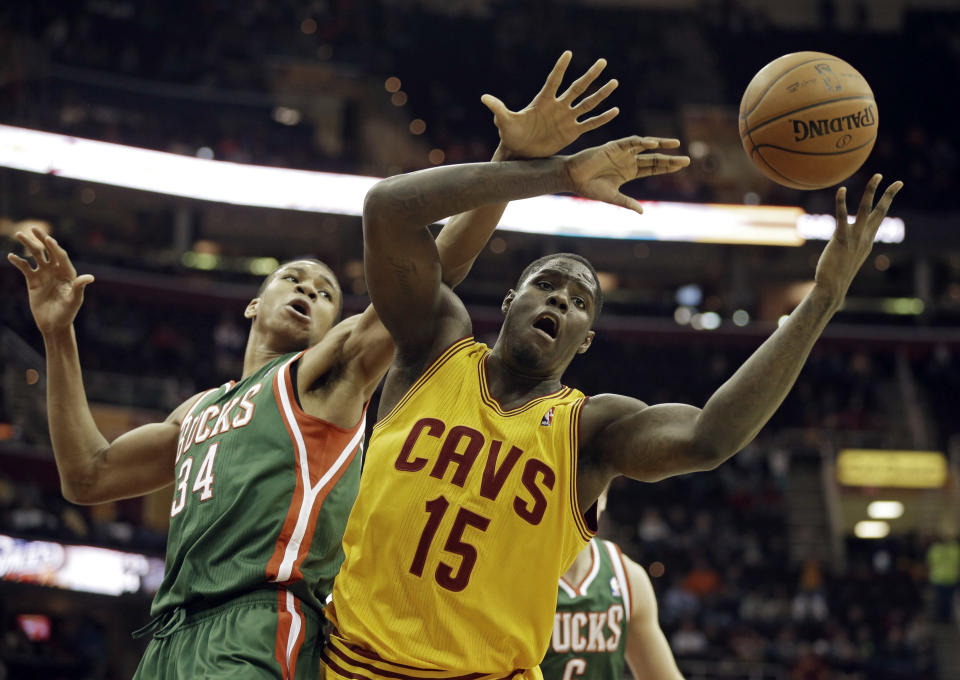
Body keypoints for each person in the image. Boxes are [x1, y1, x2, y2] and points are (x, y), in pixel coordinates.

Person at [6, 52, 621, 680]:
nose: (308, 290)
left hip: (260, 622)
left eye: (326, 292)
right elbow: (87, 476)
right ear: (253, 302)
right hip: (171, 631)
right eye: (294, 278)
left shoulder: (326, 381)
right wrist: (58, 335)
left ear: (337, 326)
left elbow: (435, 265)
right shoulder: (199, 411)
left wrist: (514, 165)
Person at [322, 95, 902, 677]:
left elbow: (711, 436)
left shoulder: (590, 429)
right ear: (509, 301)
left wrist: (821, 301)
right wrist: (558, 173)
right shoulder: (435, 346)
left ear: (586, 341)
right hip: (351, 663)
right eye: (545, 284)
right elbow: (388, 207)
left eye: (579, 302)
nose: (559, 299)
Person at [541, 492, 684, 680]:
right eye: (571, 486)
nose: (579, 499)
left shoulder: (628, 576)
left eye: (592, 487)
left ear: (604, 498)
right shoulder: (515, 572)